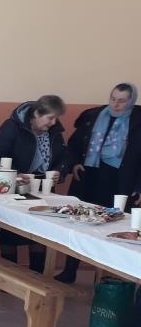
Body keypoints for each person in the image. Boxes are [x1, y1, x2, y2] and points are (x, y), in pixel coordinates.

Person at [57, 83, 141, 282]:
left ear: (131, 101)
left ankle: (103, 278)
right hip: (88, 177)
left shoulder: (138, 122)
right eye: (113, 99)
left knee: (112, 226)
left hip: (120, 183)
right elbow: (74, 145)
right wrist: (74, 163)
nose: (115, 104)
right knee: (79, 221)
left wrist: (139, 186)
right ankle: (70, 270)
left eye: (121, 101)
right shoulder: (93, 116)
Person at [0, 95, 68, 272]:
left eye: (56, 118)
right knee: (9, 234)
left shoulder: (54, 131)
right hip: (14, 187)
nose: (53, 122)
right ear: (37, 113)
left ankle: (37, 277)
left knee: (40, 232)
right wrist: (16, 175)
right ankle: (8, 276)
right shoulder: (12, 127)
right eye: (50, 118)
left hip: (43, 187)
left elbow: (64, 156)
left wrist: (60, 171)